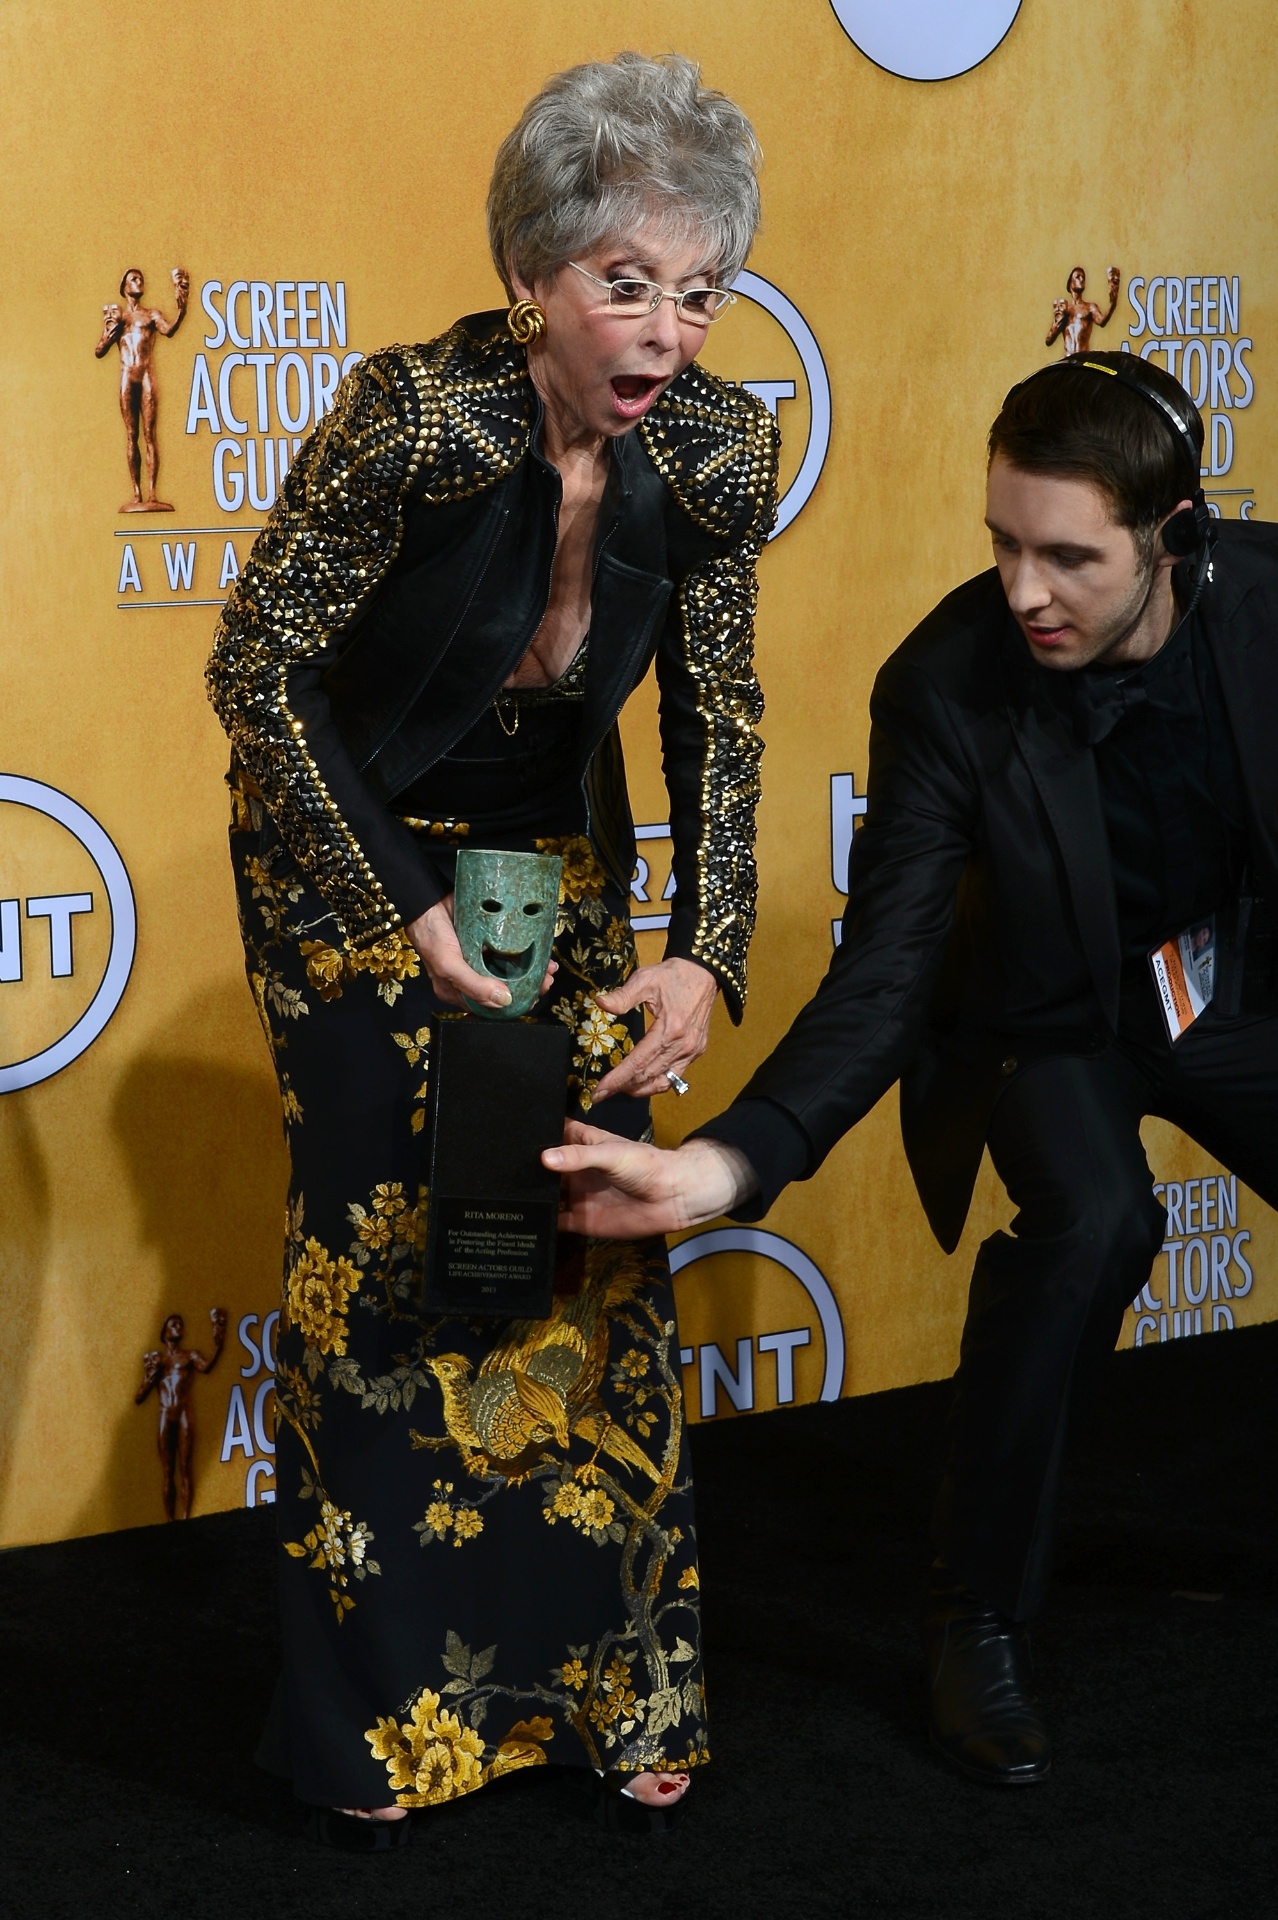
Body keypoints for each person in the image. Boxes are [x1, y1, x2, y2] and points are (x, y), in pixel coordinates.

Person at [548, 350, 1278, 1788]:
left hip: (1214, 981)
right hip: (1032, 1010)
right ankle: (974, 1619)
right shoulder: (945, 684)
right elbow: (881, 973)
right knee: (1091, 1225)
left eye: (1068, 556)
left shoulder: (1263, 614)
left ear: (1174, 537)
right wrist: (726, 1160)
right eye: (1002, 543)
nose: (1023, 591)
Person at [206, 52, 778, 1849]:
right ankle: (387, 1724)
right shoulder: (414, 418)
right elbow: (256, 675)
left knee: (584, 1235)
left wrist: (707, 949)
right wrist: (398, 905)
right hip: (352, 843)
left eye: (697, 289)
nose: (666, 329)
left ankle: (620, 1691)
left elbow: (721, 717)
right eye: (626, 281)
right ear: (535, 270)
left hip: (551, 844)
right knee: (384, 1254)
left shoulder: (714, 448)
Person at [94, 266, 189, 511]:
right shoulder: (119, 318)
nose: (139, 282)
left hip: (146, 376)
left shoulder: (151, 315)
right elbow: (99, 350)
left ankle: (152, 493)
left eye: (141, 279)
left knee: (150, 435)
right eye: (134, 279)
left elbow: (169, 330)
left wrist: (182, 308)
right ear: (125, 287)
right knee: (131, 435)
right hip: (127, 377)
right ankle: (136, 493)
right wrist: (107, 335)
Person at [134, 1308, 227, 1519]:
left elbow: (207, 1367)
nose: (179, 1327)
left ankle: (185, 1517)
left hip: (184, 1412)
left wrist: (219, 1345)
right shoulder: (158, 1361)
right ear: (165, 1333)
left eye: (180, 1324)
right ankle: (170, 1520)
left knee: (185, 1467)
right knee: (168, 1471)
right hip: (165, 1415)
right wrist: (149, 1378)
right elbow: (139, 1397)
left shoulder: (190, 1356)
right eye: (173, 1324)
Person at [1047, 263, 1120, 357]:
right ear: (1070, 283)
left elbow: (1102, 321)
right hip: (1067, 359)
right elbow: (1049, 340)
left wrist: (1112, 304)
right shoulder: (1064, 308)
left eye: (1083, 277)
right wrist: (1056, 327)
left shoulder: (1090, 307)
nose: (1081, 279)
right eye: (1078, 277)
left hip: (1083, 359)